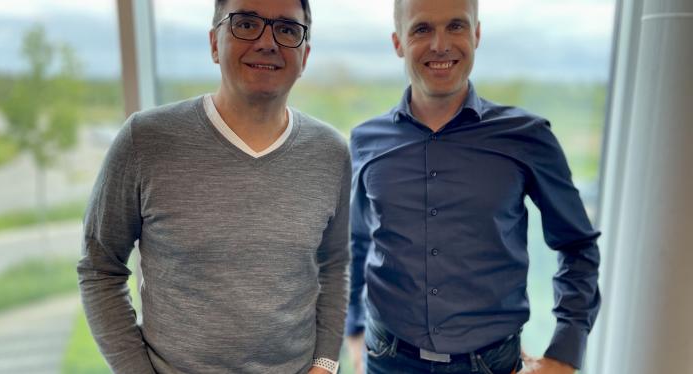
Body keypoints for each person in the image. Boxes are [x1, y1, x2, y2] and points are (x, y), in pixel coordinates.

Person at [77, 0, 349, 373]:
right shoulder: (146, 140)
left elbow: (335, 266)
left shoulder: (331, 152)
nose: (268, 42)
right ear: (213, 43)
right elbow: (99, 267)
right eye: (246, 23)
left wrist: (326, 363)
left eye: (287, 29)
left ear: (305, 56)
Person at [344, 0, 601, 373]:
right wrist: (353, 328)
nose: (440, 44)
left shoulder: (527, 137)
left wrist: (564, 353)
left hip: (492, 365)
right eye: (421, 29)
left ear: (476, 34)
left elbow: (577, 246)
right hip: (387, 360)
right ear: (398, 42)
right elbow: (356, 242)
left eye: (456, 26)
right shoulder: (366, 141)